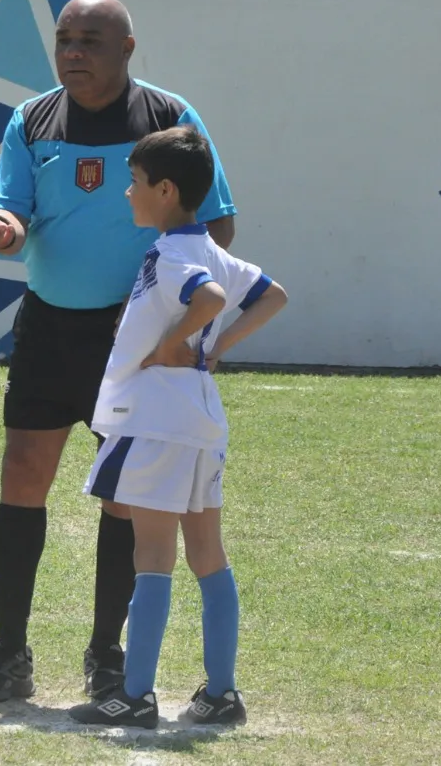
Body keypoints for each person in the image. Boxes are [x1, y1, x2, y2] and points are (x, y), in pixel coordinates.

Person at [0, 0, 239, 703]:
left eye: (90, 40)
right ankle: (8, 652)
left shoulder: (171, 118)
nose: (73, 52)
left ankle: (107, 655)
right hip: (51, 323)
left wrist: (171, 312)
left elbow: (218, 225)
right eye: (64, 39)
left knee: (126, 498)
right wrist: (2, 231)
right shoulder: (31, 119)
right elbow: (15, 215)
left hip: (134, 339)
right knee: (23, 472)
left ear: (127, 49)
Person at [67, 126, 287, 729]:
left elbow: (210, 298)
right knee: (209, 557)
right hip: (199, 417)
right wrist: (214, 354)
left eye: (135, 183)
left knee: (153, 559)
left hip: (157, 419)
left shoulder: (172, 254)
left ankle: (135, 695)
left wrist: (173, 342)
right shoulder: (210, 246)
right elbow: (273, 296)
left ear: (165, 189)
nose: (128, 194)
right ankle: (222, 694)